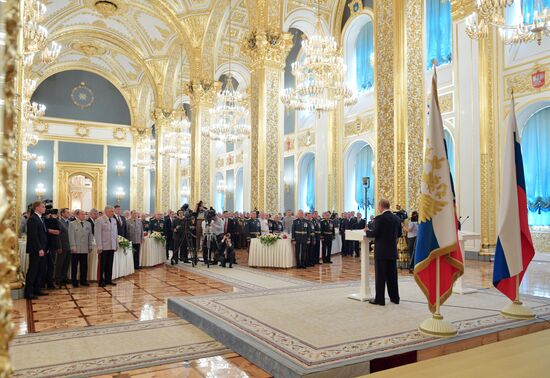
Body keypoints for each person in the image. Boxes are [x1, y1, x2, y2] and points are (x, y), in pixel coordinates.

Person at [366, 199, 402, 306]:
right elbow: (399, 234)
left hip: (381, 252)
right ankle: (395, 298)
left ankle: (380, 300)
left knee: (380, 276)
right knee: (392, 276)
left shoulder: (379, 218)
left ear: (381, 206)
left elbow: (375, 233)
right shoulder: (397, 218)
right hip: (392, 251)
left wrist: (367, 231)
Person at [24, 201, 48, 299]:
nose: (44, 208)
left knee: (40, 270)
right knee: (33, 271)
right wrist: (39, 249)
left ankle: (36, 289)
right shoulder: (33, 219)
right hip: (36, 250)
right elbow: (33, 236)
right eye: (43, 207)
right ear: (37, 208)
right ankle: (28, 292)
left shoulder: (40, 218)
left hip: (42, 249)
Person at [68, 209, 93, 287]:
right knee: (74, 266)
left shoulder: (88, 224)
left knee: (84, 265)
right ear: (77, 215)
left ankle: (83, 280)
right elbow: (71, 236)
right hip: (76, 248)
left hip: (85, 248)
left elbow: (90, 236)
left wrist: (90, 245)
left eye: (84, 214)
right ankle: (74, 281)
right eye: (82, 214)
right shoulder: (72, 224)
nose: (84, 216)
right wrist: (73, 246)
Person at [95, 206, 118, 287]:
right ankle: (101, 281)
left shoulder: (114, 220)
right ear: (106, 211)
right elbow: (97, 234)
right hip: (104, 246)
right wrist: (99, 246)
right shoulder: (99, 220)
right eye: (111, 211)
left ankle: (108, 280)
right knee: (102, 265)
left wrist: (116, 245)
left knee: (109, 264)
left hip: (112, 246)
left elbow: (115, 233)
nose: (113, 213)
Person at [55, 208, 72, 286]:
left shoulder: (70, 222)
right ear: (62, 214)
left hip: (69, 246)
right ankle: (58, 278)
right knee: (60, 263)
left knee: (67, 263)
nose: (69, 213)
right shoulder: (59, 222)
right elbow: (58, 236)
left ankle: (64, 277)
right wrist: (59, 246)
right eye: (67, 212)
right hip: (62, 245)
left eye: (69, 212)